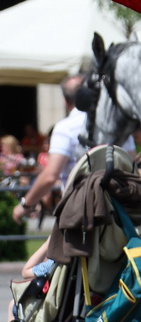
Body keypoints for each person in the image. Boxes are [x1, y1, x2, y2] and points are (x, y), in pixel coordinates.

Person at [11, 74, 87, 226]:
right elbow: (130, 164)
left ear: (65, 102)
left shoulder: (66, 127)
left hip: (81, 212)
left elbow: (50, 176)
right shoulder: (114, 125)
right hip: (117, 212)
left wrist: (25, 204)